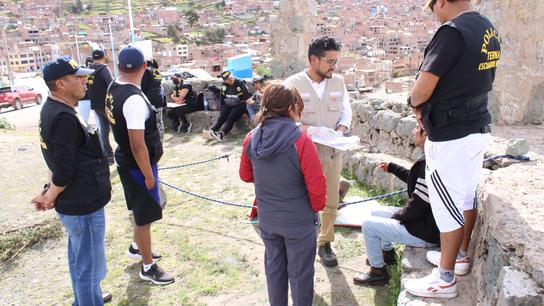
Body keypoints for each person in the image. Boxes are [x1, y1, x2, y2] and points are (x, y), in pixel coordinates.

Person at [405, 0, 501, 298]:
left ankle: (444, 279)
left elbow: (424, 85)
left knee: (447, 204)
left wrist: (416, 104)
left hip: (451, 134)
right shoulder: (487, 27)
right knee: (466, 194)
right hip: (477, 126)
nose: (434, 13)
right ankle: (459, 257)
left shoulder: (452, 32)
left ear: (442, 2)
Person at [32, 56, 112, 305]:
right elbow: (63, 170)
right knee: (88, 270)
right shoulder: (63, 117)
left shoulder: (55, 110)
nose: (85, 80)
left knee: (80, 261)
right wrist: (50, 196)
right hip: (82, 206)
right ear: (60, 84)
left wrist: (48, 191)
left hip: (78, 203)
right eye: (77, 77)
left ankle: (87, 298)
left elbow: (56, 159)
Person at [239, 81, 327, 306]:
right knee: (301, 275)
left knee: (274, 270)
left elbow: (245, 175)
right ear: (291, 108)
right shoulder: (301, 140)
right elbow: (316, 187)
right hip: (298, 219)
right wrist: (315, 207)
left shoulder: (252, 137)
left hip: (268, 217)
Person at [105, 46, 174, 285]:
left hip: (126, 160)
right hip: (137, 165)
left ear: (120, 66)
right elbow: (137, 144)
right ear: (145, 66)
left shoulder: (113, 87)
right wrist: (148, 175)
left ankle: (138, 248)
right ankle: (148, 267)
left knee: (141, 212)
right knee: (144, 217)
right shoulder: (133, 99)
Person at [285, 36, 352, 267]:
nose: (334, 66)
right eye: (330, 61)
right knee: (302, 200)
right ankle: (301, 243)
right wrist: (309, 130)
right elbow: (285, 120)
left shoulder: (339, 82)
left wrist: (341, 130)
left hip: (333, 152)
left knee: (331, 200)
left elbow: (346, 112)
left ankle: (325, 243)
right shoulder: (292, 84)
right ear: (314, 59)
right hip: (303, 155)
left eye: (336, 61)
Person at [353, 126, 439, 286]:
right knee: (377, 212)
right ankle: (387, 254)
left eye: (417, 128)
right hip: (423, 223)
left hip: (425, 232)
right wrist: (392, 168)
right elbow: (416, 181)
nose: (413, 130)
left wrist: (398, 217)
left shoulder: (431, 162)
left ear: (426, 133)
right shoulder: (432, 157)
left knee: (369, 226)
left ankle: (377, 272)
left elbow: (419, 204)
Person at [88, 48, 114, 163]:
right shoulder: (104, 69)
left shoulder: (88, 71)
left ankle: (107, 155)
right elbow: (111, 85)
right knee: (117, 127)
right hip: (106, 104)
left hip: (95, 104)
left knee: (104, 130)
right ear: (103, 58)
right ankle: (122, 153)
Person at [208, 71, 251, 141]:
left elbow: (246, 97)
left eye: (230, 78)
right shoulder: (224, 85)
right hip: (228, 104)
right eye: (227, 79)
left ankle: (222, 134)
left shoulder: (240, 83)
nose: (229, 80)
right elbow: (221, 97)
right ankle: (212, 130)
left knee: (231, 118)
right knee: (222, 117)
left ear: (232, 76)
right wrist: (221, 107)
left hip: (239, 104)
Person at [142, 59, 166, 140]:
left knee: (151, 123)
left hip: (150, 100)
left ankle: (155, 142)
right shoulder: (157, 71)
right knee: (160, 122)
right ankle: (160, 141)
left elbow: (143, 87)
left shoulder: (147, 71)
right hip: (159, 99)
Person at [77, 57, 94, 123]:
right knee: (83, 121)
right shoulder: (82, 70)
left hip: (92, 99)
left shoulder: (95, 70)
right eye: (89, 63)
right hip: (84, 99)